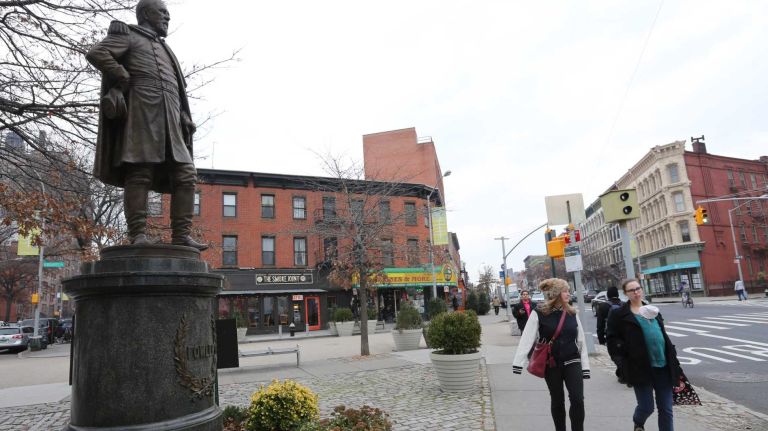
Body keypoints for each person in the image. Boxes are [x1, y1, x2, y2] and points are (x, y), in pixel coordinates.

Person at [86, 0, 207, 250]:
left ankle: (181, 235)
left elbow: (176, 87)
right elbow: (97, 53)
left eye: (168, 14)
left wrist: (183, 114)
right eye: (162, 12)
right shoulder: (129, 35)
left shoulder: (166, 49)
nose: (167, 18)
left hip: (171, 118)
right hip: (143, 112)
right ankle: (137, 234)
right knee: (140, 172)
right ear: (145, 14)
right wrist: (121, 74)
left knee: (186, 174)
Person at [513, 278, 590, 431]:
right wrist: (518, 363)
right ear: (556, 294)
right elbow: (527, 338)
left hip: (572, 361)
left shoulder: (571, 312)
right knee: (557, 400)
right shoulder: (539, 313)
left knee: (577, 399)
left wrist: (585, 366)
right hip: (551, 364)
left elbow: (581, 340)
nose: (569, 294)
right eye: (565, 291)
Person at [607, 279, 682, 431]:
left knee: (666, 409)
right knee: (647, 407)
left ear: (641, 290)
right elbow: (612, 340)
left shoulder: (652, 310)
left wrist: (673, 358)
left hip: (663, 366)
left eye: (638, 288)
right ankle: (638, 421)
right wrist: (622, 364)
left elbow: (662, 335)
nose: (636, 292)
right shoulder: (619, 314)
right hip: (639, 367)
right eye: (631, 290)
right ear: (626, 294)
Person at [596, 286, 626, 384]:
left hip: (611, 336)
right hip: (625, 335)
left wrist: (601, 339)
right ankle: (622, 373)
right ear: (617, 294)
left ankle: (623, 374)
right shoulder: (624, 304)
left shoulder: (603, 306)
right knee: (625, 354)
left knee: (615, 355)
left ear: (607, 295)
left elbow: (600, 325)